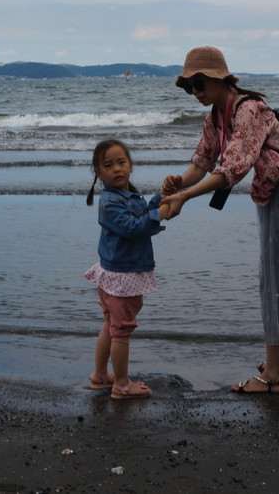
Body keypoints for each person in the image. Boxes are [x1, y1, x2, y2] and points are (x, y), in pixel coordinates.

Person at [161, 46, 279, 395]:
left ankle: (271, 377)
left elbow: (232, 170)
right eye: (188, 86)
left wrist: (183, 198)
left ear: (219, 79)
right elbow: (203, 163)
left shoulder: (249, 110)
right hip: (277, 195)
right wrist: (179, 184)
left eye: (198, 83)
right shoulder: (215, 117)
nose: (194, 92)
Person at [84, 139, 170, 400]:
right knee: (120, 330)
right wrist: (162, 214)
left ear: (131, 166)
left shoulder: (128, 194)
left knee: (111, 324)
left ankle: (100, 375)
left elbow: (142, 214)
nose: (117, 169)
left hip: (113, 274)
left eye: (121, 162)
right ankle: (121, 384)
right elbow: (133, 228)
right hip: (122, 277)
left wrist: (160, 199)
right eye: (108, 166)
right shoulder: (110, 202)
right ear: (98, 174)